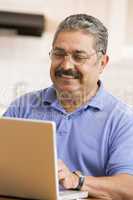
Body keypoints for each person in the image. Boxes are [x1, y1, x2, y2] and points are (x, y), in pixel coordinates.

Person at [3, 14, 133, 199]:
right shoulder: (22, 108)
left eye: (79, 56)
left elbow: (129, 186)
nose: (66, 65)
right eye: (59, 53)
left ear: (102, 63)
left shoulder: (122, 119)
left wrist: (77, 180)